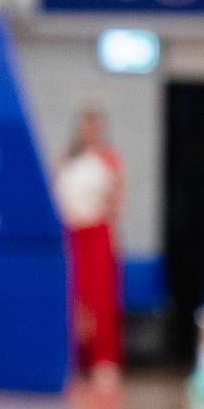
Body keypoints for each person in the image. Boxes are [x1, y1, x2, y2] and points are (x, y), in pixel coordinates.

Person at [55, 106, 124, 381]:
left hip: (97, 231)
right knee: (74, 294)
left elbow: (117, 198)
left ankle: (104, 359)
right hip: (72, 232)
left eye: (94, 126)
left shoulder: (109, 158)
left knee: (101, 296)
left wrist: (111, 230)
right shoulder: (67, 158)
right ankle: (73, 357)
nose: (89, 131)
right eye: (85, 125)